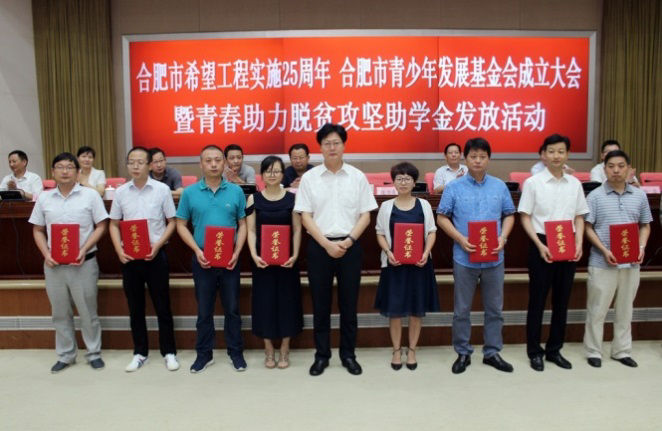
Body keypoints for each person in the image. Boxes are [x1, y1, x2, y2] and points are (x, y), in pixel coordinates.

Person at [294, 123, 377, 376]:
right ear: (320, 147)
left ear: (343, 145)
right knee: (321, 305)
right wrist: (327, 244)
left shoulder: (357, 176)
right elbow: (305, 216)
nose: (332, 147)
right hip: (320, 247)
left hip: (350, 247)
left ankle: (348, 354)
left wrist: (348, 241)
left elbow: (365, 215)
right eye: (327, 143)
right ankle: (322, 355)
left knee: (348, 304)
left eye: (336, 143)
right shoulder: (309, 178)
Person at [436, 138, 516, 374]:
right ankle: (462, 352)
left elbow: (509, 214)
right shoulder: (454, 187)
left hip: (494, 257)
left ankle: (492, 352)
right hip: (464, 257)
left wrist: (503, 238)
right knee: (462, 309)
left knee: (495, 309)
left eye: (482, 156)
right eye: (473, 156)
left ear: (488, 159)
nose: (478, 161)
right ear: (465, 158)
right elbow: (442, 217)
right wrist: (460, 239)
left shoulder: (499, 186)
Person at [28, 152, 108, 373]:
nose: (65, 171)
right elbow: (37, 230)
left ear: (77, 171)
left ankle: (93, 353)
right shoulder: (44, 198)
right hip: (54, 265)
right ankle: (65, 355)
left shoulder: (90, 196)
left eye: (69, 167)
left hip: (84, 263)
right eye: (60, 167)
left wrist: (83, 249)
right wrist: (46, 254)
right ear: (53, 172)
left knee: (87, 311)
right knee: (60, 313)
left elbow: (102, 225)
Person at [519, 133, 589, 372]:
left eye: (561, 151)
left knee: (562, 300)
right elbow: (525, 216)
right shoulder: (533, 183)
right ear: (543, 155)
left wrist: (579, 242)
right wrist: (539, 245)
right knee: (537, 300)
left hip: (568, 243)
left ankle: (554, 350)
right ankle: (534, 351)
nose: (556, 156)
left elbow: (579, 216)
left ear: (567, 154)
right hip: (542, 243)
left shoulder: (575, 184)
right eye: (551, 151)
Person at [176, 145, 247, 373]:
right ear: (201, 164)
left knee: (233, 309)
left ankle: (235, 353)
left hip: (230, 260)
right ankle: (204, 354)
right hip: (203, 258)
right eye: (209, 160)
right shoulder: (190, 193)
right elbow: (180, 225)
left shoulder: (236, 191)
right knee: (204, 310)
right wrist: (197, 251)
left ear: (224, 163)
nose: (214, 164)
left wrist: (237, 251)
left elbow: (243, 224)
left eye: (218, 160)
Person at [108, 146, 179, 372]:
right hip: (129, 258)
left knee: (162, 306)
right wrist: (119, 250)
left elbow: (172, 222)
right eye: (131, 162)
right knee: (135, 307)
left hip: (156, 255)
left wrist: (158, 245)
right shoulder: (120, 192)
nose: (135, 166)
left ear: (149, 165)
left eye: (140, 162)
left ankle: (169, 352)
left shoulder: (161, 190)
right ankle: (140, 352)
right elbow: (113, 224)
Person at [583, 150, 652, 368]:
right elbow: (587, 227)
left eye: (621, 166)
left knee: (625, 309)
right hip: (602, 262)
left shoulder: (640, 196)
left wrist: (641, 247)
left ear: (630, 169)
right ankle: (594, 351)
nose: (616, 170)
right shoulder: (594, 196)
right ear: (604, 170)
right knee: (597, 309)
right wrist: (604, 249)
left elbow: (645, 225)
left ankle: (621, 351)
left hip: (631, 262)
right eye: (611, 166)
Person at [374, 162, 439, 371]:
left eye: (407, 178)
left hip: (419, 265)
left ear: (414, 182)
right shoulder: (386, 206)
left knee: (416, 310)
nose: (403, 182)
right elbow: (380, 233)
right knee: (394, 311)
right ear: (393, 182)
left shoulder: (424, 205)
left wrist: (426, 252)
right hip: (394, 265)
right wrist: (388, 252)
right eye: (399, 178)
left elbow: (432, 231)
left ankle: (411, 349)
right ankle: (396, 350)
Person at [246, 156, 303, 369]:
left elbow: (297, 229)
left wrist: (295, 255)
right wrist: (253, 254)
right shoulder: (254, 199)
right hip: (262, 262)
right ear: (262, 175)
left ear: (282, 174)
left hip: (287, 261)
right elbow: (251, 230)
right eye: (268, 171)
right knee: (264, 303)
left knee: (288, 302)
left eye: (277, 171)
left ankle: (285, 349)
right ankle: (268, 349)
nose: (272, 174)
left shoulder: (292, 199)